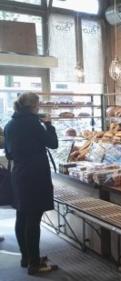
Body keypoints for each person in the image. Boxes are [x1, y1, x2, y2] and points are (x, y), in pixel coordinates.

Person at [4, 93, 58, 275]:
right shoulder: (33, 123)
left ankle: (26, 258)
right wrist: (49, 125)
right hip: (35, 176)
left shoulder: (10, 125)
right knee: (33, 220)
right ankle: (35, 264)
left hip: (18, 174)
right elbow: (53, 143)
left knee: (22, 216)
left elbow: (10, 153)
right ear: (34, 105)